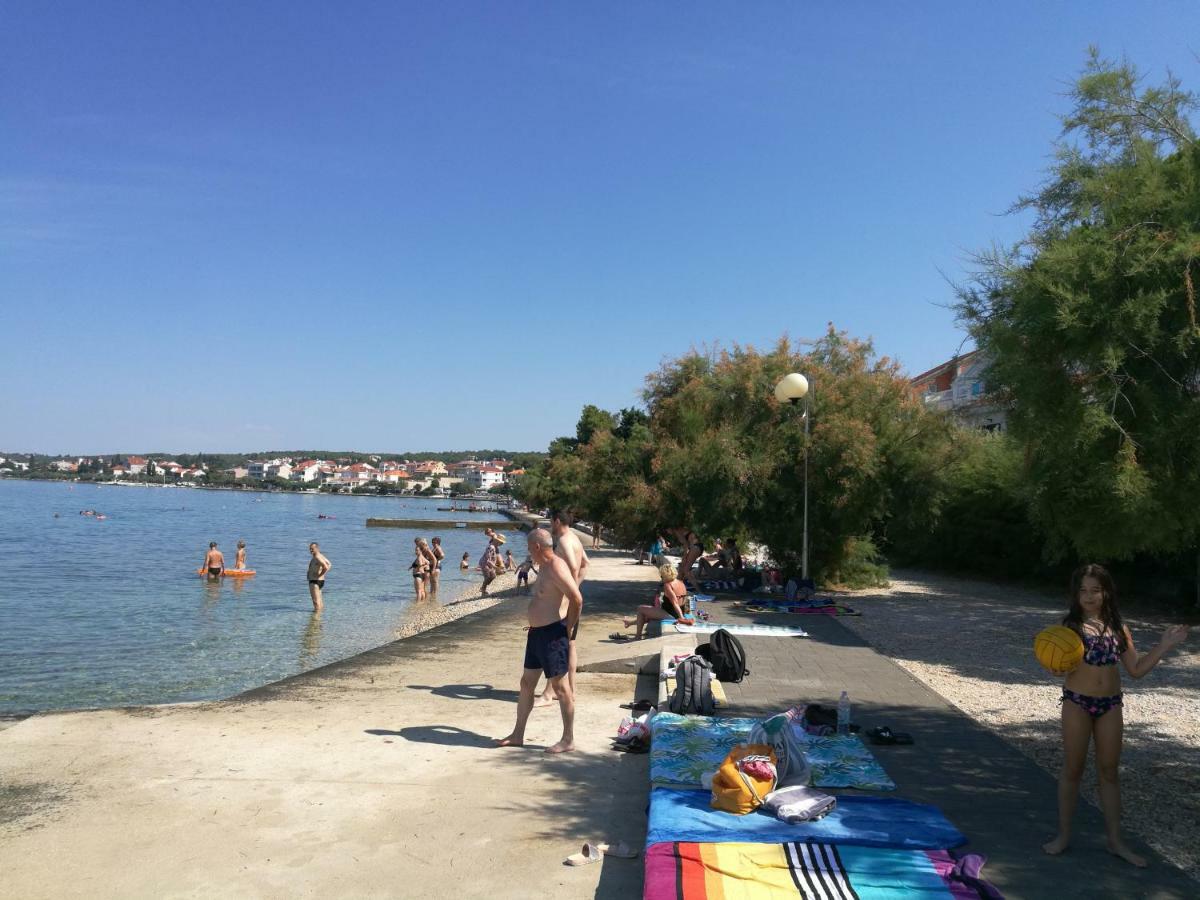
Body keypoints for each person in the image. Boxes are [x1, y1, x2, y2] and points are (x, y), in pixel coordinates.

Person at [1041, 564, 1189, 867]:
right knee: (1073, 770)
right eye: (1082, 590)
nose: (1089, 596)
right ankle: (1064, 836)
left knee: (1109, 772)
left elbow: (1136, 670)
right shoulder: (1069, 627)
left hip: (1110, 705)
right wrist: (1055, 668)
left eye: (1095, 589)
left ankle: (1115, 842)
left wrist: (1163, 646)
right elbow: (1059, 667)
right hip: (1077, 703)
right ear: (1075, 594)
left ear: (1106, 591)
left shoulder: (1119, 628)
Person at [495, 528, 581, 754]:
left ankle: (568, 739)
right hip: (536, 635)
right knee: (526, 684)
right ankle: (517, 734)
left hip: (552, 634)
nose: (527, 552)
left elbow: (576, 598)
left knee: (561, 689)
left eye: (528, 548)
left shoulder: (555, 566)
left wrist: (568, 628)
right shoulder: (543, 567)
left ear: (536, 547)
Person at [538, 510, 589, 705]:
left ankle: (549, 693)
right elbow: (586, 563)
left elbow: (575, 566)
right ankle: (570, 691)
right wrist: (576, 588)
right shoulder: (574, 538)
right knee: (570, 645)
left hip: (564, 603)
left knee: (555, 645)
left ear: (557, 521)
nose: (550, 525)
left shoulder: (565, 541)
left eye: (551, 521)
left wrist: (570, 591)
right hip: (571, 599)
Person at [622, 563, 688, 639]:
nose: (661, 578)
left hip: (672, 614)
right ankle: (629, 623)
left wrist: (681, 618)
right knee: (647, 613)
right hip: (678, 612)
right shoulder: (681, 582)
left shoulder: (668, 585)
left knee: (640, 609)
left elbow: (675, 603)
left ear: (665, 575)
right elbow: (683, 600)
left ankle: (637, 636)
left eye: (661, 576)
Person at [307, 542, 331, 611]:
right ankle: (320, 618)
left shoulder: (317, 557)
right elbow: (329, 564)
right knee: (320, 601)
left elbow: (326, 566)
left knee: (316, 602)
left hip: (314, 581)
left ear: (317, 548)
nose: (311, 550)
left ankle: (316, 620)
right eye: (310, 549)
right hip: (320, 581)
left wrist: (320, 575)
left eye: (312, 549)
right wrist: (322, 575)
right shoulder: (320, 555)